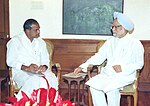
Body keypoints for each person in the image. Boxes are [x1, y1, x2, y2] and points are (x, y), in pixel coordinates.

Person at [74, 12, 144, 106]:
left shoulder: (135, 43)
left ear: (124, 28)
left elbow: (139, 63)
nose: (113, 30)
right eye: (112, 27)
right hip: (108, 74)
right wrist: (83, 66)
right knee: (93, 86)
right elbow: (99, 57)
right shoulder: (110, 41)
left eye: (116, 27)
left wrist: (123, 68)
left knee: (112, 89)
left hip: (124, 75)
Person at [6, 19, 58, 99]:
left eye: (38, 29)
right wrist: (26, 68)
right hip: (21, 72)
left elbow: (45, 60)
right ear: (27, 30)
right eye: (36, 30)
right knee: (37, 81)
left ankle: (48, 103)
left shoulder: (41, 42)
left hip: (39, 71)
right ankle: (28, 102)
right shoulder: (15, 42)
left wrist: (44, 66)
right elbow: (10, 61)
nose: (38, 32)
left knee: (51, 78)